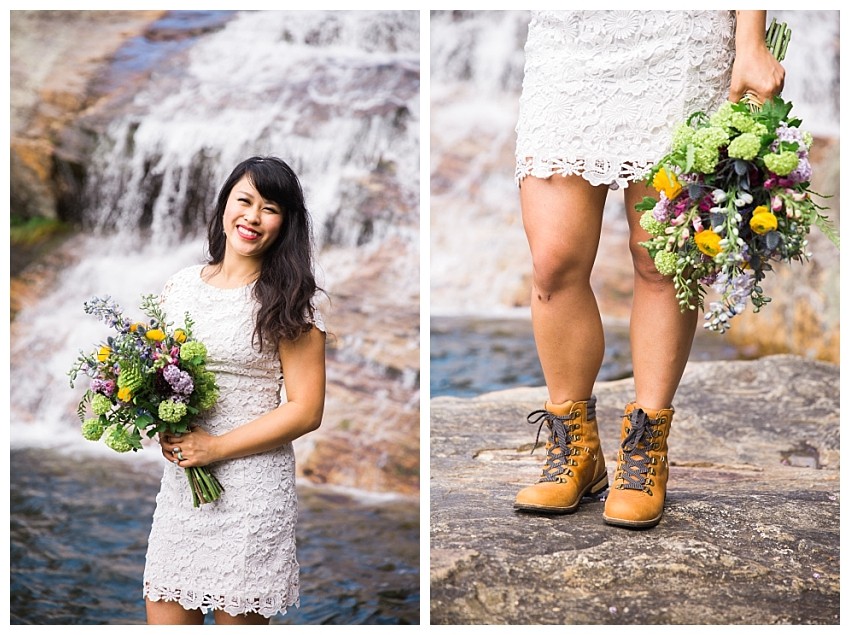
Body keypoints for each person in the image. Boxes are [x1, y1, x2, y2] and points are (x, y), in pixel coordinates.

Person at [512, 11, 784, 527]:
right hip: (568, 38)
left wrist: (750, 41)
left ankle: (645, 453)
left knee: (661, 256)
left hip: (680, 35)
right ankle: (576, 451)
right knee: (553, 261)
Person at [143, 156, 327, 624]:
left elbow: (306, 411)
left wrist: (216, 447)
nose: (252, 216)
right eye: (244, 200)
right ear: (225, 203)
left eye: (270, 208)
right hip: (184, 487)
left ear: (285, 224)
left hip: (252, 488)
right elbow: (159, 374)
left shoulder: (292, 301)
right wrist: (163, 421)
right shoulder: (180, 287)